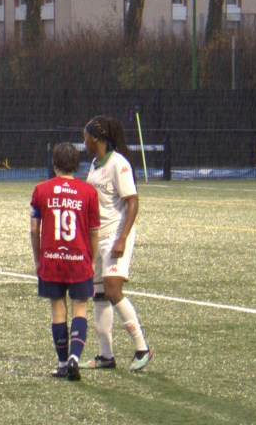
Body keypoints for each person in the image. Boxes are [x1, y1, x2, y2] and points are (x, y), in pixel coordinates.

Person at [82, 115, 153, 373]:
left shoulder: (118, 163)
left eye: (86, 136)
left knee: (112, 290)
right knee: (99, 294)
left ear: (97, 138)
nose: (84, 140)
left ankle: (142, 348)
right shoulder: (95, 163)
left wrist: (122, 237)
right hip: (98, 236)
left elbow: (133, 201)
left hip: (115, 236)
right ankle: (106, 355)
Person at [30, 142, 100, 381]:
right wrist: (91, 259)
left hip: (51, 259)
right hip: (79, 258)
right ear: (77, 165)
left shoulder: (41, 190)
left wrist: (39, 258)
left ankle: (62, 362)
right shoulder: (89, 192)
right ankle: (74, 358)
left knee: (57, 308)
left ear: (54, 163)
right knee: (80, 308)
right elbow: (94, 231)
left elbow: (33, 229)